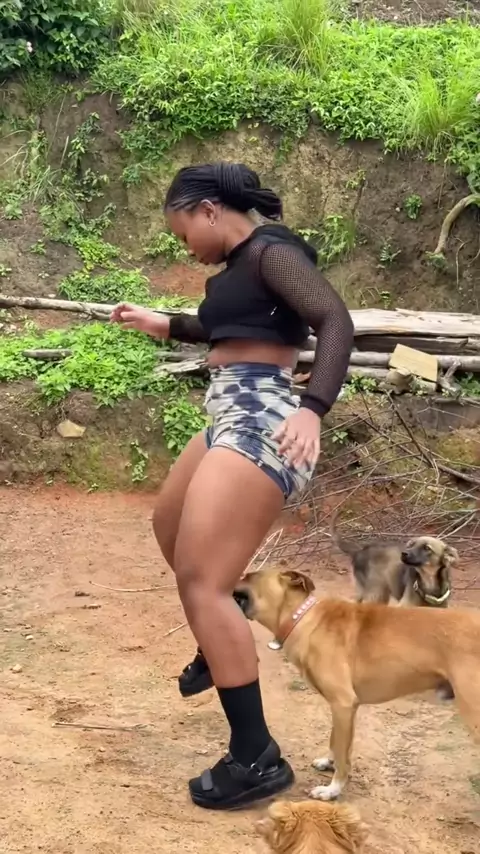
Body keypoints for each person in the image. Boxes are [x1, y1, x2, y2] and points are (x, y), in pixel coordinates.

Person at [110, 162, 354, 810]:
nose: (184, 245)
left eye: (183, 231)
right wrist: (161, 323)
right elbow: (224, 328)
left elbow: (335, 321)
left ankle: (255, 757)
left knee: (202, 579)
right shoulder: (236, 271)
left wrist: (313, 409)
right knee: (169, 526)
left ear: (210, 210)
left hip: (264, 418)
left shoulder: (273, 253)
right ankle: (215, 636)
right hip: (228, 412)